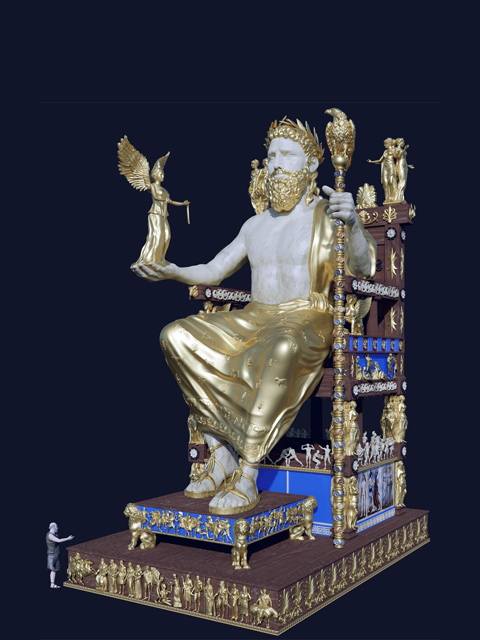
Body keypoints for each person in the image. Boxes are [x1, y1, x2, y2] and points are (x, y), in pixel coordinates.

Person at [132, 117, 376, 515]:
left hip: (307, 316)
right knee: (175, 335)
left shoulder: (329, 214)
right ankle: (220, 454)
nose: (276, 164)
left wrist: (352, 222)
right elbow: (214, 270)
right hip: (255, 317)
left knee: (281, 347)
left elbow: (363, 268)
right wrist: (172, 270)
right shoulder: (254, 225)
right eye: (271, 156)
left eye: (287, 155)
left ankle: (247, 473)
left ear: (310, 165)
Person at [46, 522, 74, 589]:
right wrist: (68, 538)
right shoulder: (50, 535)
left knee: (54, 570)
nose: (57, 528)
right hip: (52, 555)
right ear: (53, 527)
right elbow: (59, 540)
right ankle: (52, 584)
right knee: (53, 569)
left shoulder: (53, 534)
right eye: (56, 527)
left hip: (55, 554)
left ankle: (52, 584)